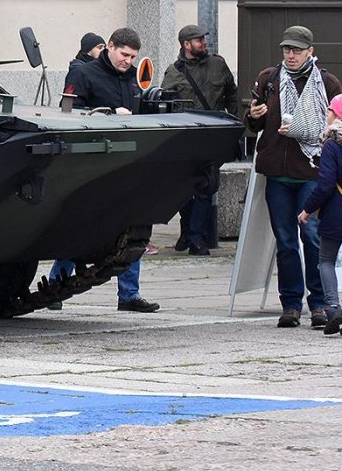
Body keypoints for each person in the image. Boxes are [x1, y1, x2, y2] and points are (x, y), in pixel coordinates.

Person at [246, 25, 341, 329]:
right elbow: (251, 124)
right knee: (286, 241)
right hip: (277, 173)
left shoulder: (327, 83)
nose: (291, 55)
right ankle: (290, 305)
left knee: (312, 238)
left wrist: (310, 131)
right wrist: (254, 116)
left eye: (297, 50)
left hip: (311, 172)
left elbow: (339, 126)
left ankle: (320, 304)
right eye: (287, 49)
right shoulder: (269, 79)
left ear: (310, 51)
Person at [62, 27, 160, 313]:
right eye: (124, 54)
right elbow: (67, 112)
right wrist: (108, 113)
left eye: (132, 57)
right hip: (93, 162)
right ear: (110, 47)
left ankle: (129, 294)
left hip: (128, 162)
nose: (128, 61)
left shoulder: (132, 78)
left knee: (132, 228)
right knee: (78, 229)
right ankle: (57, 283)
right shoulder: (84, 74)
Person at [160, 24, 238, 256]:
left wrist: (234, 122)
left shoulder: (218, 64)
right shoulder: (173, 72)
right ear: (186, 45)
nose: (204, 43)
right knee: (185, 190)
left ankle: (196, 238)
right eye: (199, 40)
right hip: (185, 140)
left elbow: (231, 93)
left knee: (207, 186)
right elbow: (165, 106)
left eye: (204, 39)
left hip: (213, 137)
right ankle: (188, 231)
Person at [299, 93, 342, 337]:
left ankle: (333, 307)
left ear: (340, 115)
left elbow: (325, 184)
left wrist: (307, 209)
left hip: (336, 212)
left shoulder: (333, 143)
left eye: (330, 110)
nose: (327, 114)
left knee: (325, 260)